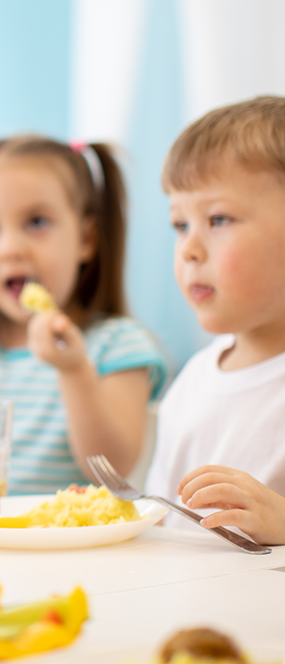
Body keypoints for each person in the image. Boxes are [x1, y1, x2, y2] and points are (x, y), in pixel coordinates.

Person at [0, 136, 168, 495]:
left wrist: (73, 371)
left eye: (37, 222)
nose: (10, 248)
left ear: (86, 239)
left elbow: (114, 470)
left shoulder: (119, 344)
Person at [145, 96, 285, 546]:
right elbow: (161, 526)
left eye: (218, 219)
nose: (189, 249)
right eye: (180, 225)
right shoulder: (191, 384)